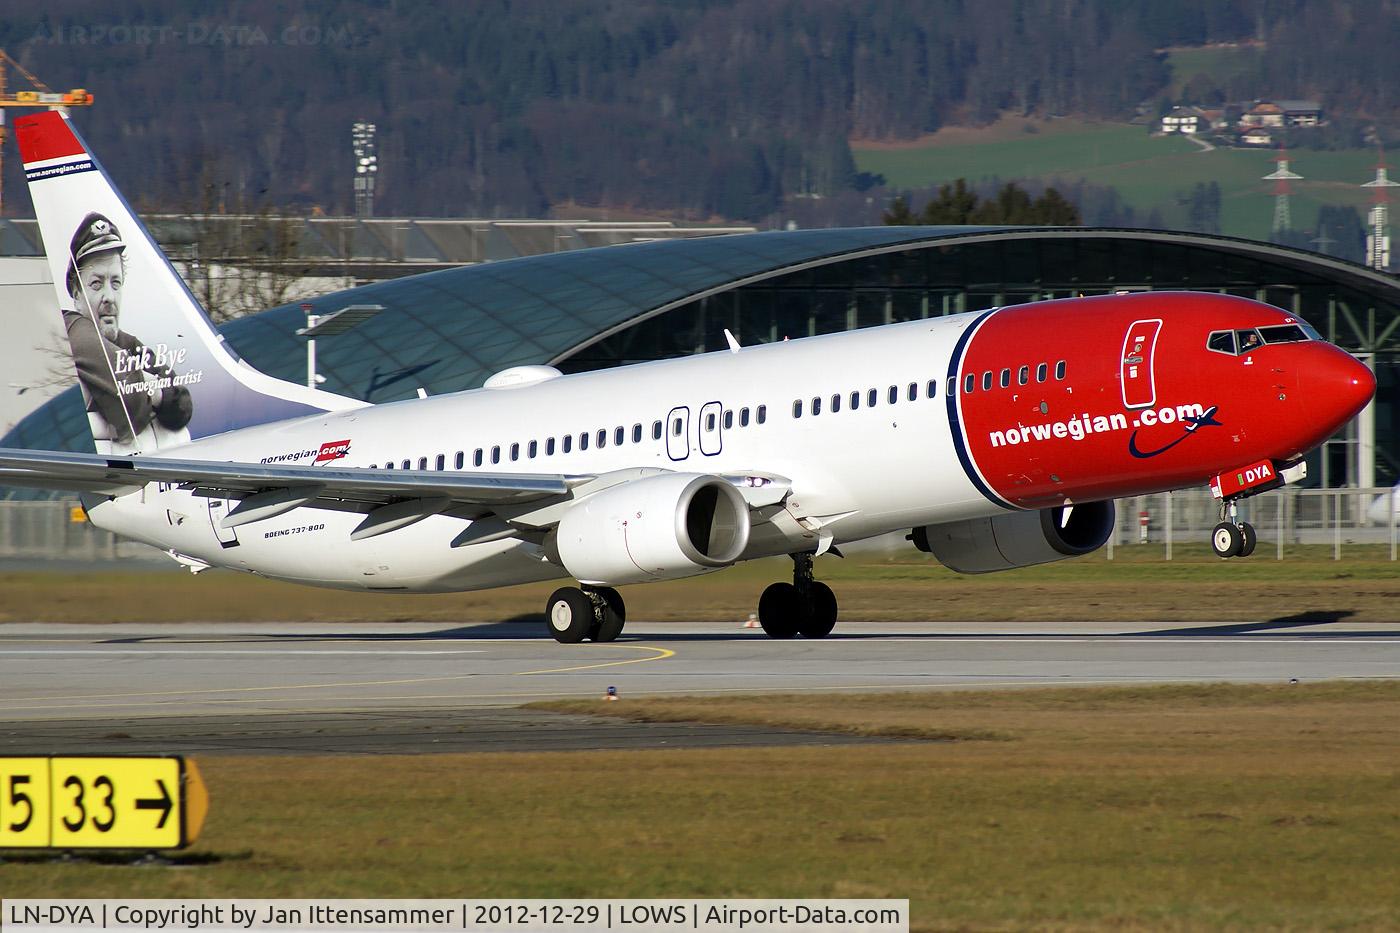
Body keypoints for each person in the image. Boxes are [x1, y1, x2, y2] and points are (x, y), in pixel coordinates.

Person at [62, 212, 193, 454]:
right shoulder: (72, 330)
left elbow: (182, 403)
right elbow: (130, 412)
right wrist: (153, 388)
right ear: (76, 292)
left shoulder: (127, 344)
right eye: (96, 284)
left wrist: (147, 388)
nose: (109, 298)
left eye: (116, 283)